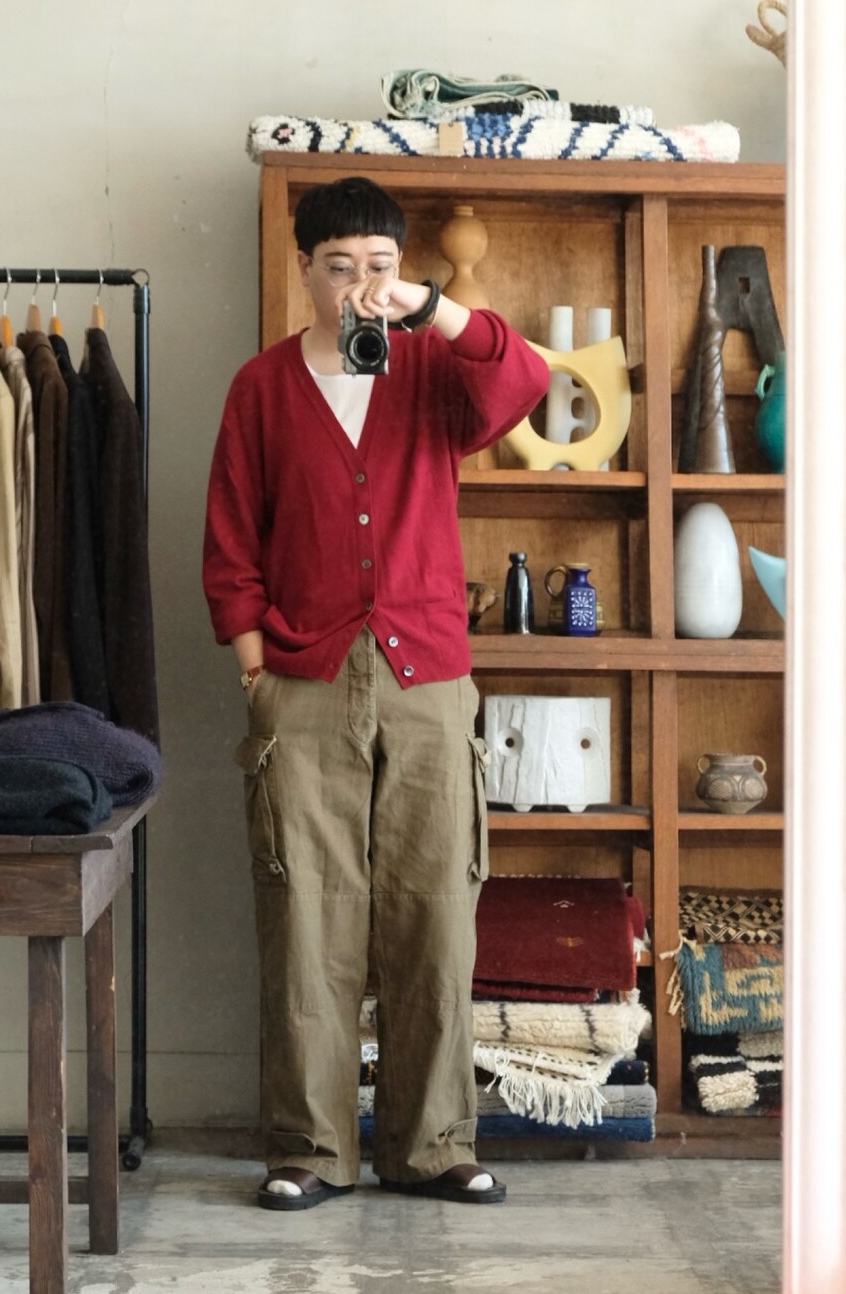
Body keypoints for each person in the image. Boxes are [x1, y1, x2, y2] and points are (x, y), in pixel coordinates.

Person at [203, 175, 548, 1211]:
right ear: (304, 268)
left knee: (435, 910)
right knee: (306, 914)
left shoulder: (433, 366)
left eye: (381, 266)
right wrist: (253, 665)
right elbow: (230, 535)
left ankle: (432, 1144)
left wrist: (429, 309)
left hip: (427, 675)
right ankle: (309, 1147)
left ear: (403, 272)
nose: (360, 284)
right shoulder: (262, 387)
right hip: (301, 675)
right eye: (341, 266)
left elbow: (524, 378)